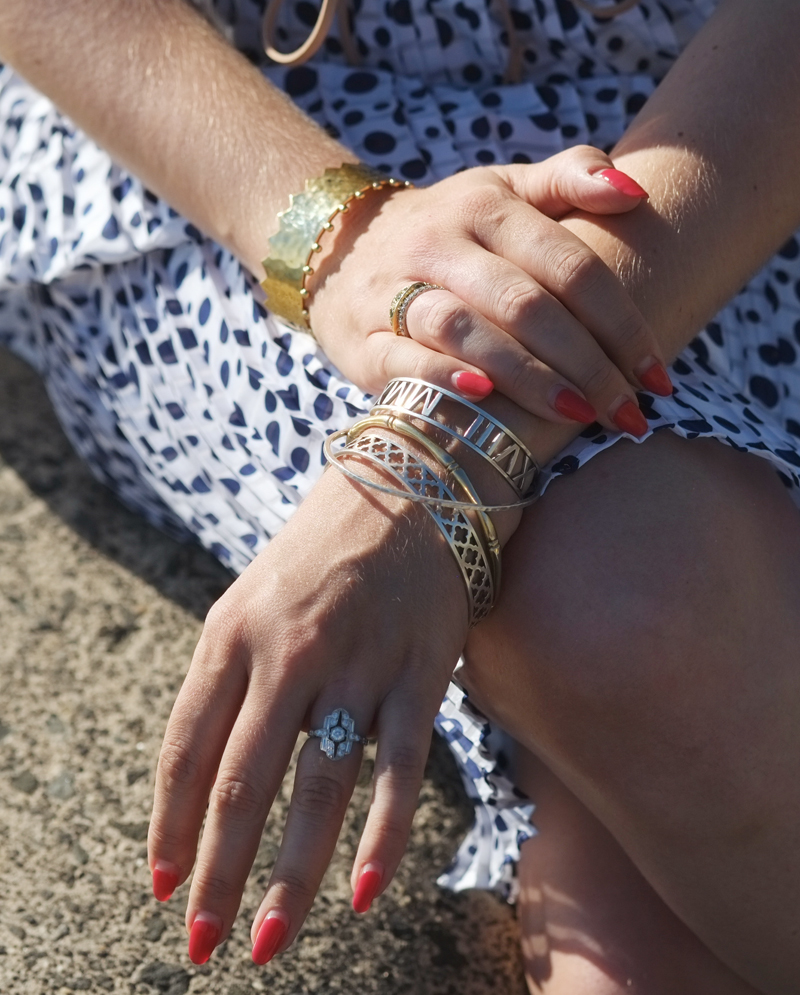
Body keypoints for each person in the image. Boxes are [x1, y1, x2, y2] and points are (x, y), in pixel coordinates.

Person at [1, 0, 799, 991]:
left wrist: (433, 457)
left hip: (732, 135)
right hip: (228, 141)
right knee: (619, 607)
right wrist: (336, 233)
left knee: (628, 665)